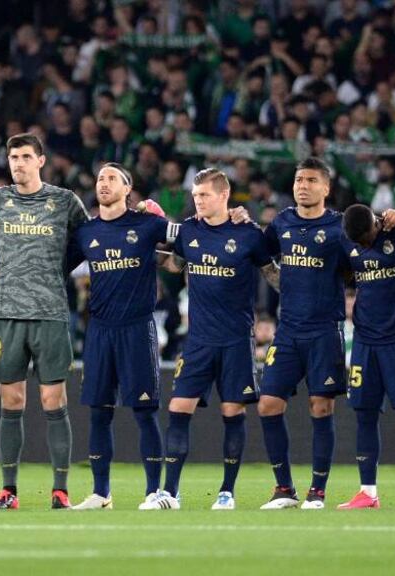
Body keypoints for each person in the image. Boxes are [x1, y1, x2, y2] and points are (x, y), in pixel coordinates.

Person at [257, 158, 395, 510]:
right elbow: (260, 255)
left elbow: (366, 258)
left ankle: (317, 492)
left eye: (311, 180)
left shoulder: (340, 227)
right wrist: (280, 282)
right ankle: (284, 489)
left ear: (326, 188)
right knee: (267, 404)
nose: (302, 186)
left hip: (325, 330)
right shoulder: (281, 223)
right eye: (298, 180)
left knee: (321, 407)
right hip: (288, 330)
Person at [141, 168, 279, 511]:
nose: (198, 201)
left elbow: (272, 274)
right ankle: (170, 492)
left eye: (204, 195)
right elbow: (175, 265)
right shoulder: (189, 230)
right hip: (199, 340)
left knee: (232, 412)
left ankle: (226, 492)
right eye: (196, 195)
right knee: (178, 408)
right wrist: (142, 240)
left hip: (236, 340)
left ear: (224, 195)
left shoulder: (248, 234)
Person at [0, 133, 89, 509]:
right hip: (7, 312)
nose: (19, 163)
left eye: (26, 157)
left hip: (50, 312)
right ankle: (8, 490)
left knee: (52, 399)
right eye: (13, 157)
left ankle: (60, 490)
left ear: (41, 161)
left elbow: (89, 237)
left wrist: (60, 266)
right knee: (11, 401)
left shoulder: (64, 200)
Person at [67, 163, 175, 510]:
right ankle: (101, 494)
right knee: (99, 412)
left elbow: (192, 239)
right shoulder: (86, 232)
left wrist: (167, 219)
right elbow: (55, 266)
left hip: (137, 328)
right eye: (100, 177)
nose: (103, 182)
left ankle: (153, 492)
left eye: (112, 178)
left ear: (128, 189)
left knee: (144, 412)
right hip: (100, 331)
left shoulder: (147, 224)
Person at [339, 203, 395, 509]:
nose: (363, 246)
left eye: (366, 239)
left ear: (375, 225)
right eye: (358, 243)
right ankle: (368, 492)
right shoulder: (348, 242)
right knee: (364, 414)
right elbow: (343, 271)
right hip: (365, 340)